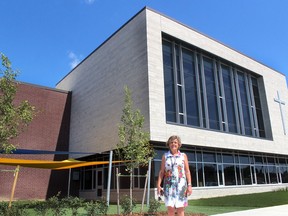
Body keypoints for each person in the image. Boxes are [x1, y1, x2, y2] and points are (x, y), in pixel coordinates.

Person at [157, 135, 192, 216]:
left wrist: (189, 185)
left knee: (180, 209)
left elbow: (187, 171)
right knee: (170, 209)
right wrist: (158, 185)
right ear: (169, 144)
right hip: (168, 186)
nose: (173, 144)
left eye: (175, 142)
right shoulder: (165, 156)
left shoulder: (183, 156)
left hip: (181, 186)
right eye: (171, 142)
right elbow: (162, 172)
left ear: (179, 144)